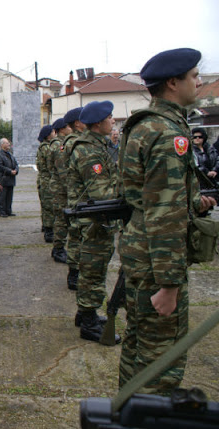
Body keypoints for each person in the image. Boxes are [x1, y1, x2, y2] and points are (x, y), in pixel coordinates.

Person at [118, 48, 216, 394]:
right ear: (173, 83)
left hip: (142, 249)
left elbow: (151, 197)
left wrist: (193, 204)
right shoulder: (167, 133)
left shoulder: (146, 124)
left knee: (138, 346)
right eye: (194, 76)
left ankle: (128, 412)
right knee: (162, 361)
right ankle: (146, 414)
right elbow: (164, 211)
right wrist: (170, 285)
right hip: (156, 258)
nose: (199, 81)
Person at [67, 101, 122, 343]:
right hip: (94, 222)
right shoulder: (88, 150)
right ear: (98, 123)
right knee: (92, 270)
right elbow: (102, 193)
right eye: (110, 118)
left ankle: (85, 312)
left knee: (94, 269)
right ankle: (88, 322)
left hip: (98, 221)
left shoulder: (97, 146)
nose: (114, 121)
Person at [61, 107, 86, 290]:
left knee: (78, 236)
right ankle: (74, 274)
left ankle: (76, 272)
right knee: (76, 236)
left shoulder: (75, 141)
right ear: (77, 123)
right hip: (78, 196)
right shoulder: (74, 143)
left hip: (78, 195)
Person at [48, 118, 72, 263]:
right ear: (62, 129)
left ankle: (58, 248)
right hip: (61, 189)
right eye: (68, 127)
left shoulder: (60, 144)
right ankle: (58, 249)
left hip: (60, 187)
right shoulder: (59, 146)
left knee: (61, 219)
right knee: (61, 220)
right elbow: (62, 172)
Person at [36, 125, 55, 243]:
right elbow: (50, 165)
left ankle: (45, 226)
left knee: (45, 205)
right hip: (47, 180)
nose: (55, 134)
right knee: (48, 206)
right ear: (48, 135)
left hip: (43, 179)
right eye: (53, 132)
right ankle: (49, 232)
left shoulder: (42, 147)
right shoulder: (47, 148)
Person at [0, 138, 18, 217]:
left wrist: (16, 170)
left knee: (9, 196)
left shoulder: (10, 154)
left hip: (11, 179)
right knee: (2, 197)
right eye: (7, 143)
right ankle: (2, 211)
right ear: (2, 145)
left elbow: (16, 164)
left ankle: (8, 211)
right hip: (3, 179)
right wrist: (9, 171)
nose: (9, 144)